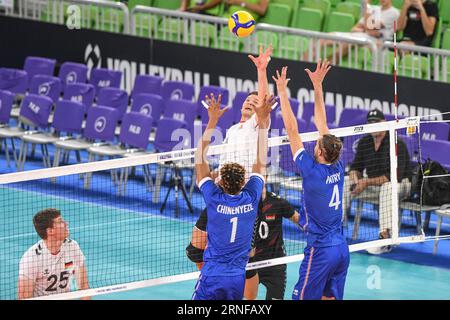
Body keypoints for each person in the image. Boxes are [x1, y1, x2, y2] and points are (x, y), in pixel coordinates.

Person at [272, 60, 349, 300]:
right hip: (341, 248)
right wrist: (317, 86)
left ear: (320, 153)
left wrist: (282, 92)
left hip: (321, 250)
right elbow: (322, 123)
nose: (314, 144)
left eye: (316, 145)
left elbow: (291, 129)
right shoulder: (338, 164)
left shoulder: (311, 171)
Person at [191, 91, 271, 300]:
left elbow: (199, 155)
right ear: (244, 179)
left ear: (221, 181)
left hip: (212, 276)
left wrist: (212, 121)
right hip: (236, 279)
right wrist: (264, 125)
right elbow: (261, 161)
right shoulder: (251, 198)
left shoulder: (214, 199)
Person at [187, 184, 301, 300]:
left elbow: (300, 220)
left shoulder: (278, 203)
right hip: (248, 262)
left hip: (274, 264)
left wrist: (314, 229)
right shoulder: (243, 205)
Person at [343, 109, 412, 254]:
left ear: (384, 123)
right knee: (345, 182)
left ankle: (385, 239)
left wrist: (365, 182)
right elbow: (355, 167)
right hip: (375, 187)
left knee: (388, 187)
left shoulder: (396, 144)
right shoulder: (365, 142)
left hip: (400, 186)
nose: (373, 125)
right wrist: (355, 178)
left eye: (376, 122)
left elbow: (393, 177)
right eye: (370, 123)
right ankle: (334, 229)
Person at [18, 208, 90, 299]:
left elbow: (83, 286)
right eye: (60, 221)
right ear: (50, 231)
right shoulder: (31, 258)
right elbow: (24, 297)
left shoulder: (72, 247)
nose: (66, 224)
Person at [180, 0, 270, 21]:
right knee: (192, 14)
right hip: (225, 20)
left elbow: (262, 10)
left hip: (243, 23)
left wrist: (240, 2)